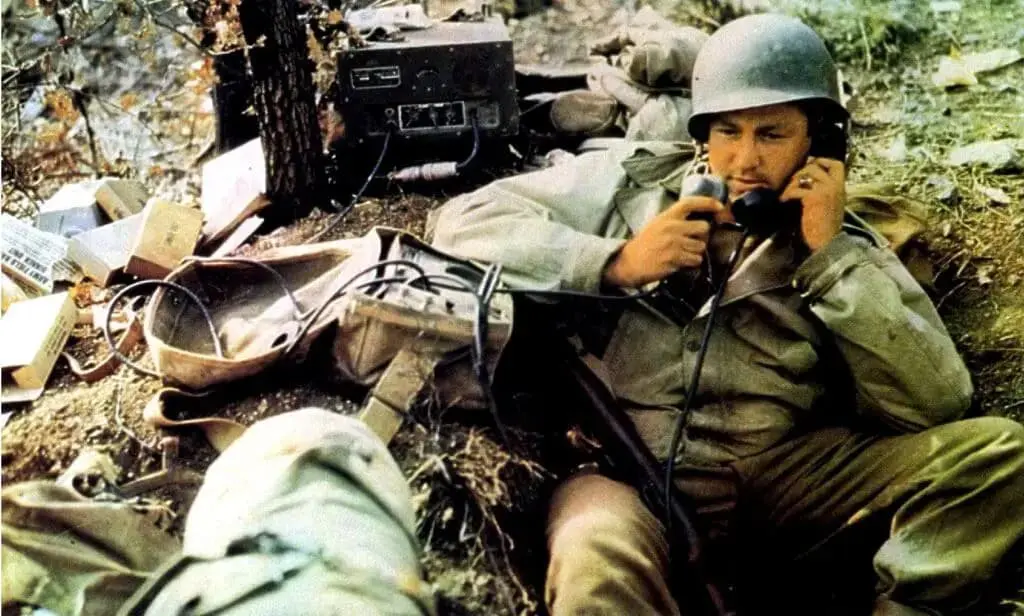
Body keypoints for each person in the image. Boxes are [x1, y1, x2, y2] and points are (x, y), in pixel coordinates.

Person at [430, 13, 1024, 616]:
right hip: (626, 472)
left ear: (817, 143)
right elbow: (460, 226)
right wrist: (615, 261)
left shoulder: (845, 245)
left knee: (998, 455)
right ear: (702, 133)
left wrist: (832, 260)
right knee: (594, 557)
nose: (744, 159)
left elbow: (937, 403)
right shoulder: (629, 186)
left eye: (771, 135)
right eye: (728, 131)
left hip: (779, 479)